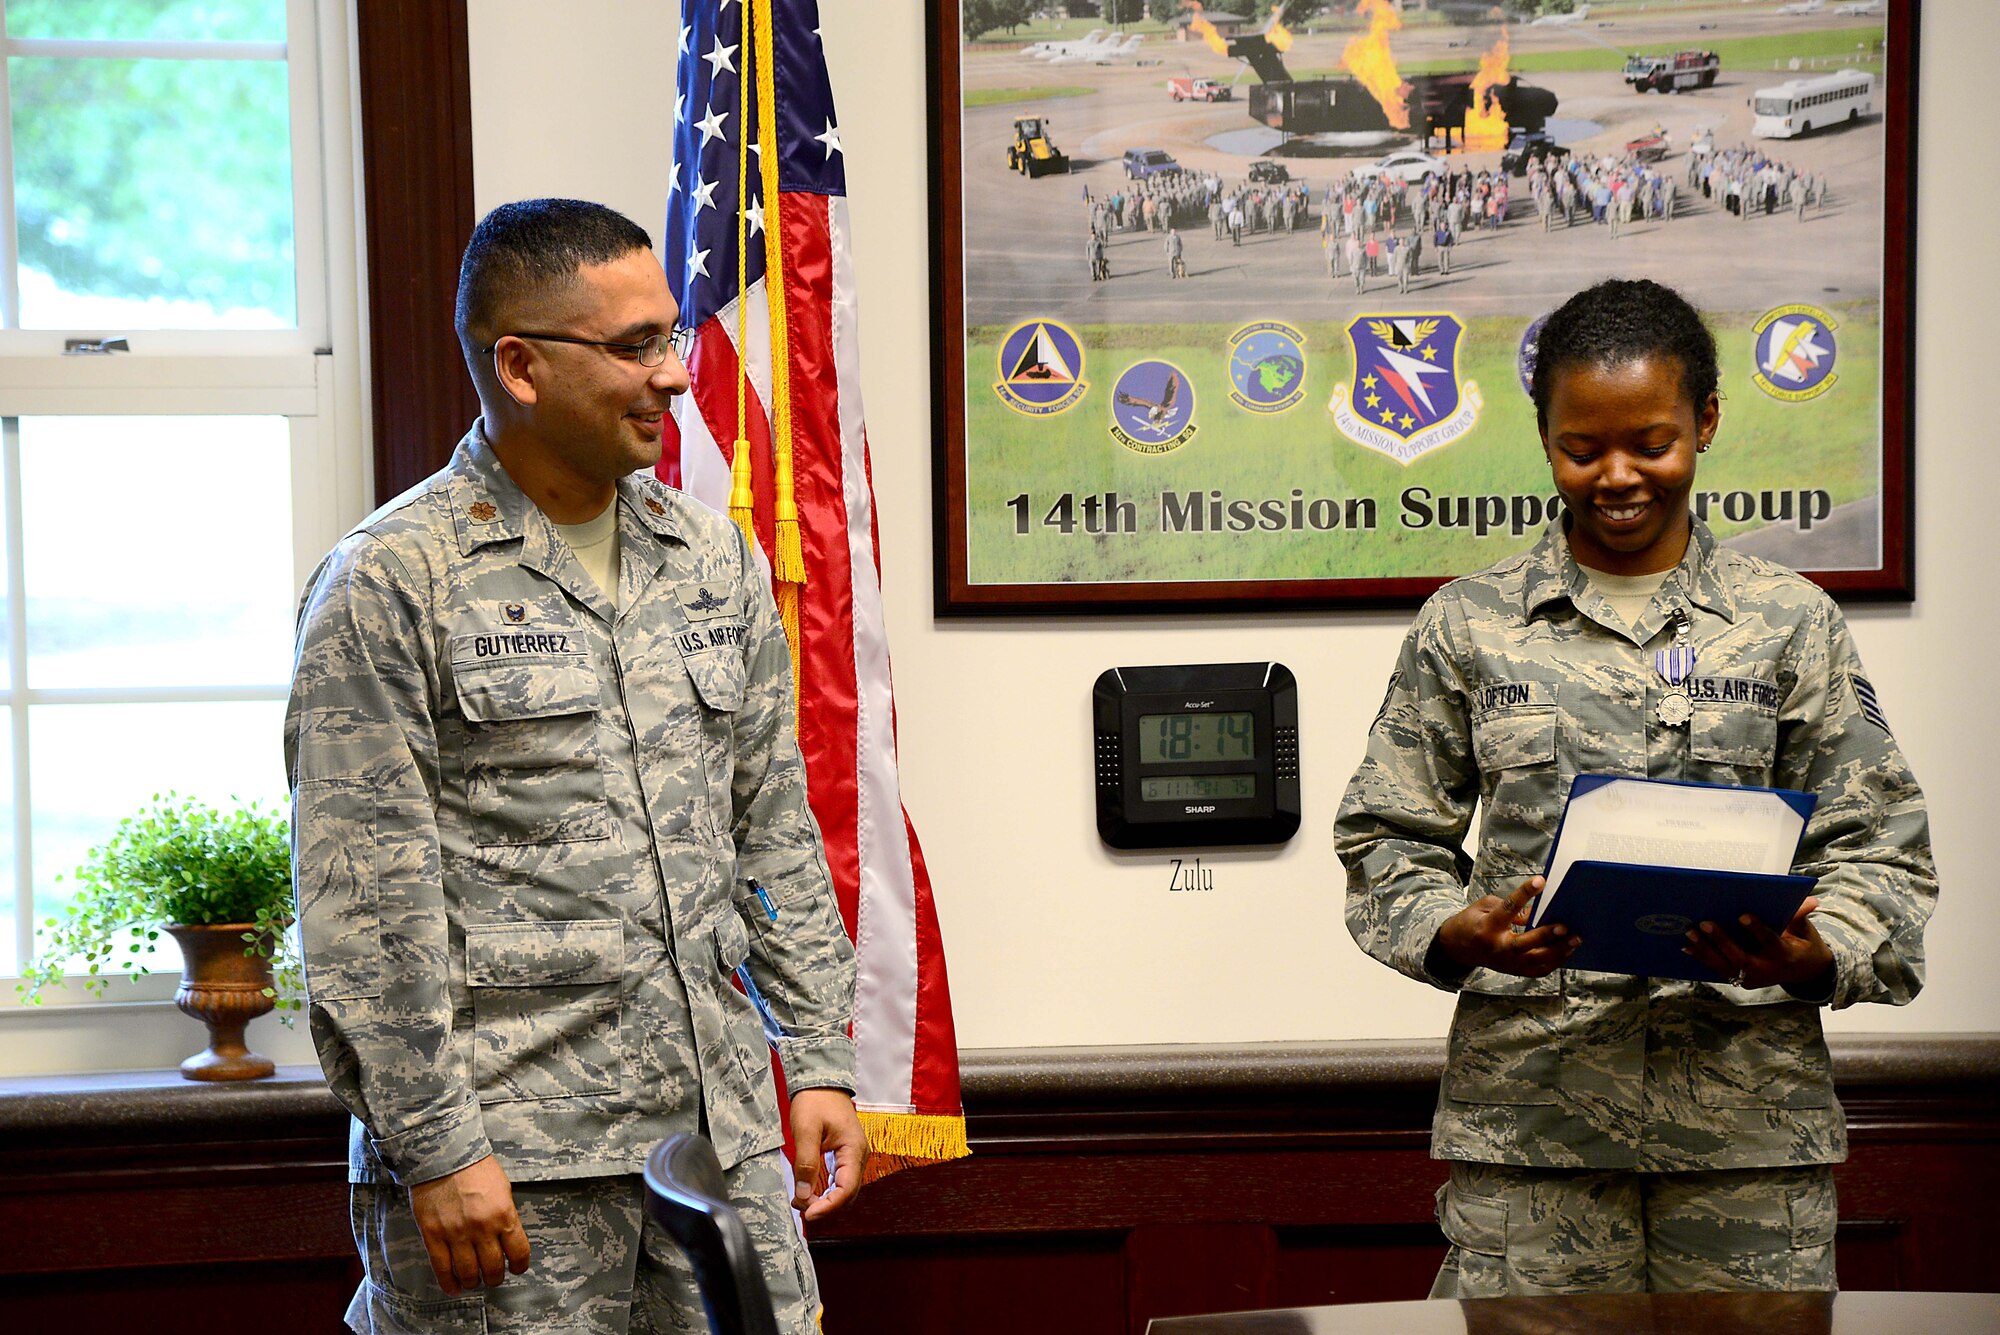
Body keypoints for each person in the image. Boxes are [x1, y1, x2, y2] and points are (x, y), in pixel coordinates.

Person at [286, 199, 867, 1334]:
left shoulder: (709, 558)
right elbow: (363, 904)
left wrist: (817, 1054)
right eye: (635, 346)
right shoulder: (392, 580)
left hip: (717, 1143)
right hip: (513, 1168)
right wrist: (438, 1146)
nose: (674, 377)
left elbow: (772, 826)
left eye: (671, 338)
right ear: (520, 365)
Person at [1336, 277, 1935, 1299]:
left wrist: (1811, 950)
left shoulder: (1789, 625)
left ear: (1702, 422)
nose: (1616, 476)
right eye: (1581, 449)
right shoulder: (1466, 626)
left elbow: (1881, 849)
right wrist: (1453, 930)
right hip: (1531, 1135)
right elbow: (1383, 839)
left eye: (1649, 444)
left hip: (1746, 1136)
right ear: (1543, 438)